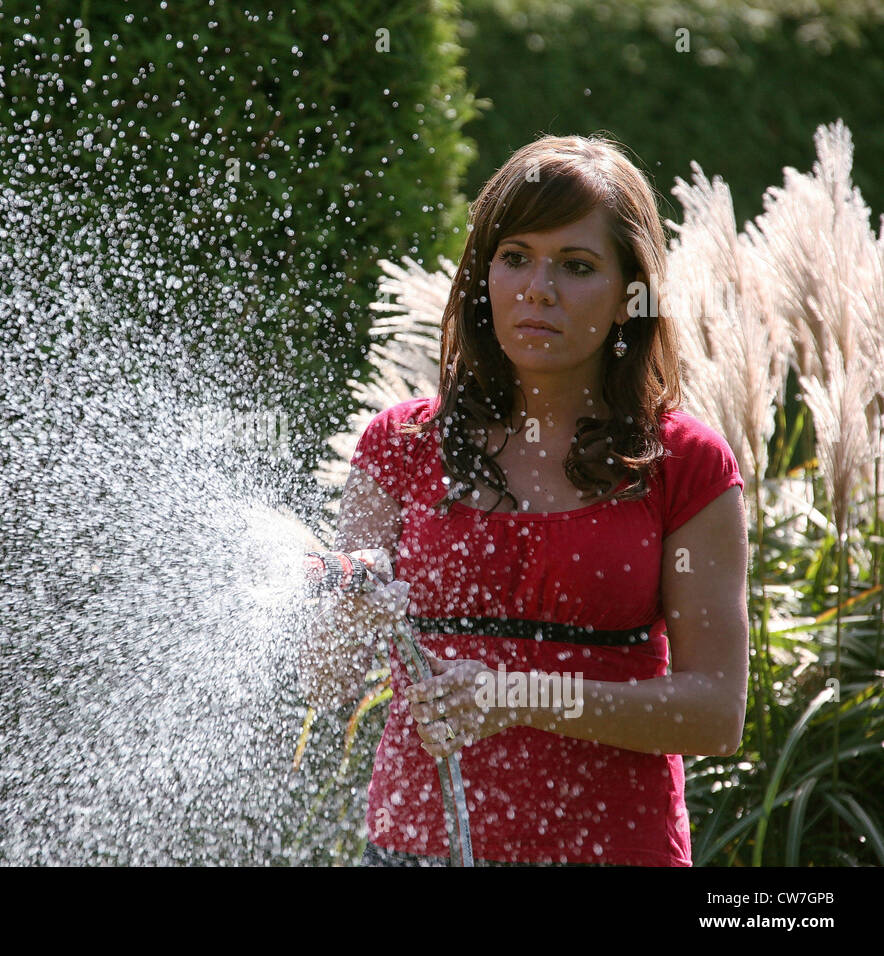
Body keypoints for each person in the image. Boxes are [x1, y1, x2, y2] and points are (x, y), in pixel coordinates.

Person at [298, 133, 750, 867]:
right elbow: (331, 682)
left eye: (575, 267)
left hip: (615, 854)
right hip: (415, 850)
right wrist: (340, 607)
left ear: (630, 293)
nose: (537, 288)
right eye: (514, 258)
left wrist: (518, 696)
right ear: (483, 275)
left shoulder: (686, 465)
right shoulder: (400, 445)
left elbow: (713, 714)